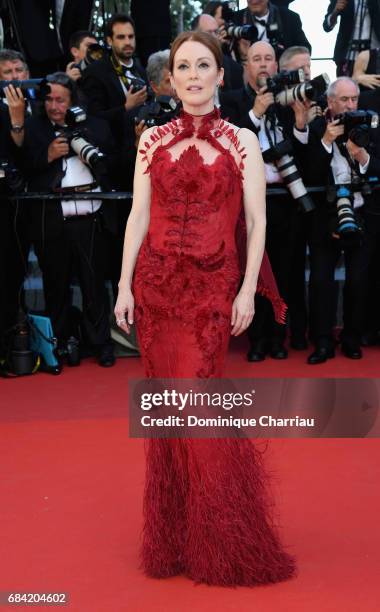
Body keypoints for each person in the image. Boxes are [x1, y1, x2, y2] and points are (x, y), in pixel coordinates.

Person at [114, 30, 295, 586]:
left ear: (222, 74)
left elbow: (258, 222)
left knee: (197, 410)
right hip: (157, 289)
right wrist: (123, 286)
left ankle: (227, 539)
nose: (192, 76)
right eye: (183, 67)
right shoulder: (152, 140)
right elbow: (138, 217)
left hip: (211, 292)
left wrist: (245, 290)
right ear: (172, 79)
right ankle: (177, 539)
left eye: (203, 66)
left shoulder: (243, 140)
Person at [221, 41, 311, 360]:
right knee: (255, 274)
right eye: (256, 59)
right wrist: (255, 114)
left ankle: (278, 338)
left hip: (285, 201)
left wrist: (300, 126)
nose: (263, 64)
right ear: (245, 65)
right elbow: (229, 147)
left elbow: (305, 158)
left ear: (276, 66)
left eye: (268, 59)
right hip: (248, 204)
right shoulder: (232, 102)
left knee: (285, 273)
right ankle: (257, 340)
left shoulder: (287, 102)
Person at [23, 73, 117, 368]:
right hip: (52, 220)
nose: (54, 106)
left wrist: (84, 141)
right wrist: (47, 154)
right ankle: (59, 344)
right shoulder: (34, 129)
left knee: (93, 286)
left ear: (72, 100)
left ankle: (101, 344)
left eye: (60, 99)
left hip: (89, 218)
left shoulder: (94, 125)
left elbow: (112, 162)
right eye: (49, 99)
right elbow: (23, 167)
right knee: (56, 285)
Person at [306, 77, 374, 363]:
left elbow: (377, 165)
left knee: (358, 280)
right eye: (344, 100)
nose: (350, 105)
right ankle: (322, 340)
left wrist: (362, 155)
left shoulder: (369, 126)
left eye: (354, 99)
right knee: (321, 279)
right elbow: (309, 172)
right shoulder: (317, 128)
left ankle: (351, 338)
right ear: (330, 102)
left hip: (360, 211)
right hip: (326, 214)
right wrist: (326, 141)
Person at [232, 0, 311, 58]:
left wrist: (286, 55)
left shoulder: (289, 18)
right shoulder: (236, 19)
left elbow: (305, 49)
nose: (254, 1)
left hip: (280, 74)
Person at [323, 0, 380, 76]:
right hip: (347, 56)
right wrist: (335, 12)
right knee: (346, 86)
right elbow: (327, 26)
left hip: (374, 56)